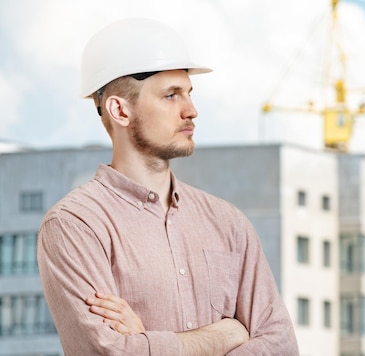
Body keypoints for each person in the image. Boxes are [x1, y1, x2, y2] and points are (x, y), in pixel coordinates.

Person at [37, 18, 299, 355]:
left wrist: (147, 342)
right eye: (171, 96)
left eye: (189, 93)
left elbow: (281, 345)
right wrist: (226, 334)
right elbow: (111, 352)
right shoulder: (76, 226)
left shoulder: (228, 222)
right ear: (120, 109)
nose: (192, 111)